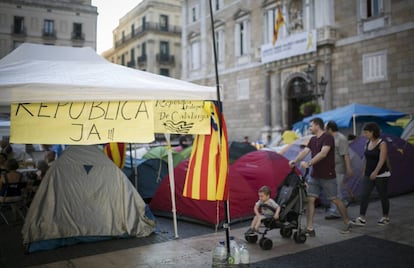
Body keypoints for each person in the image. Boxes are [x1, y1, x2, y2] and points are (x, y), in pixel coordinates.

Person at [288, 117, 352, 236]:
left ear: (318, 125)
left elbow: (323, 153)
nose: (310, 128)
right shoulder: (312, 139)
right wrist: (295, 160)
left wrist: (309, 163)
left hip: (328, 175)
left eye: (311, 126)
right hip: (315, 175)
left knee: (335, 199)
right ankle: (310, 228)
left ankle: (347, 222)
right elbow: (305, 151)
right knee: (310, 200)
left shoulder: (327, 137)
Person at [352, 122, 391, 226]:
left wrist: (376, 172)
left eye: (366, 132)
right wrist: (364, 171)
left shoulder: (382, 143)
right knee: (364, 195)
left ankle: (385, 217)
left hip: (381, 174)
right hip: (368, 174)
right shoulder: (367, 143)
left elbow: (382, 160)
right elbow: (366, 159)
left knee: (383, 196)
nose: (365, 134)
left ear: (372, 132)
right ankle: (362, 218)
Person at [325, 121, 353, 220]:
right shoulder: (330, 138)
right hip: (331, 168)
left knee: (335, 191)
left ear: (329, 129)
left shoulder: (341, 138)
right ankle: (344, 203)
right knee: (334, 190)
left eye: (326, 129)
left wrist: (349, 168)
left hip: (339, 168)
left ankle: (335, 211)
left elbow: (346, 154)